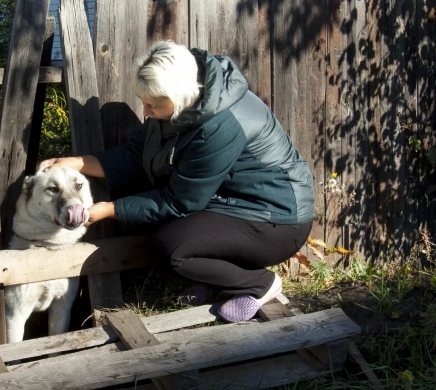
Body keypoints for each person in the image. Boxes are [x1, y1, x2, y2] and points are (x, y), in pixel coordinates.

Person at [40, 40, 314, 323]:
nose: (145, 112)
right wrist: (78, 163)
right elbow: (137, 154)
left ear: (179, 96)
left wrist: (110, 209)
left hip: (276, 219)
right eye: (145, 103)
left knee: (169, 251)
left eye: (152, 105)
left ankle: (258, 284)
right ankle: (217, 277)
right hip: (226, 201)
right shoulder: (183, 101)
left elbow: (180, 201)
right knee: (142, 210)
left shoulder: (219, 125)